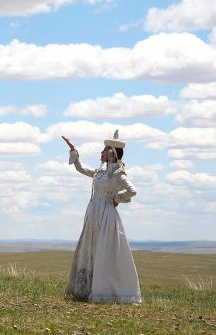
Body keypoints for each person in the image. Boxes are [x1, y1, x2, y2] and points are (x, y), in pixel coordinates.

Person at [61, 130, 142, 303]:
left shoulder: (118, 174)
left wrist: (117, 198)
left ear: (112, 153)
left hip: (106, 216)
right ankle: (88, 288)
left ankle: (105, 290)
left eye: (104, 150)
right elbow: (81, 168)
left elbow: (132, 191)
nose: (101, 152)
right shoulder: (100, 173)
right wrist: (73, 151)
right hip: (94, 214)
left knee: (104, 250)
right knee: (92, 248)